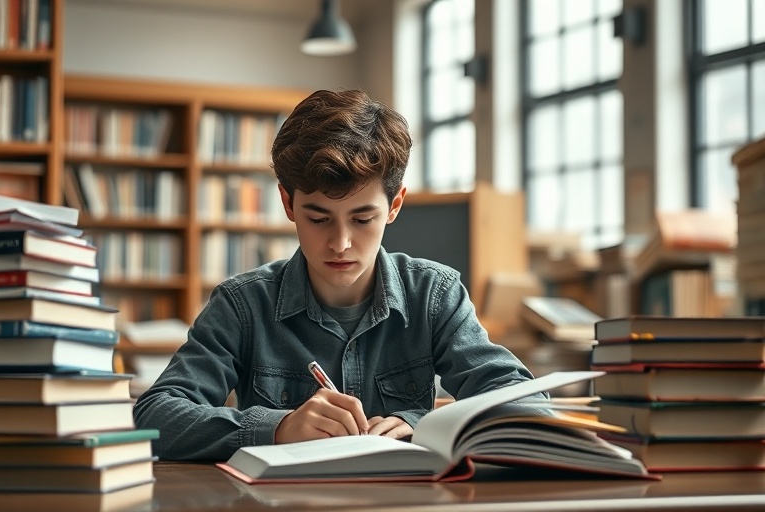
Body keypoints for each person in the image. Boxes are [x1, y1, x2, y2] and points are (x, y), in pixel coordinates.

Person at [133, 88, 541, 461]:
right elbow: (155, 417)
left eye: (363, 218)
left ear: (395, 205)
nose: (341, 243)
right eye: (318, 218)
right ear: (288, 204)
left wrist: (424, 423)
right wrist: (276, 428)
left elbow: (527, 407)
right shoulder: (242, 305)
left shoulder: (434, 294)